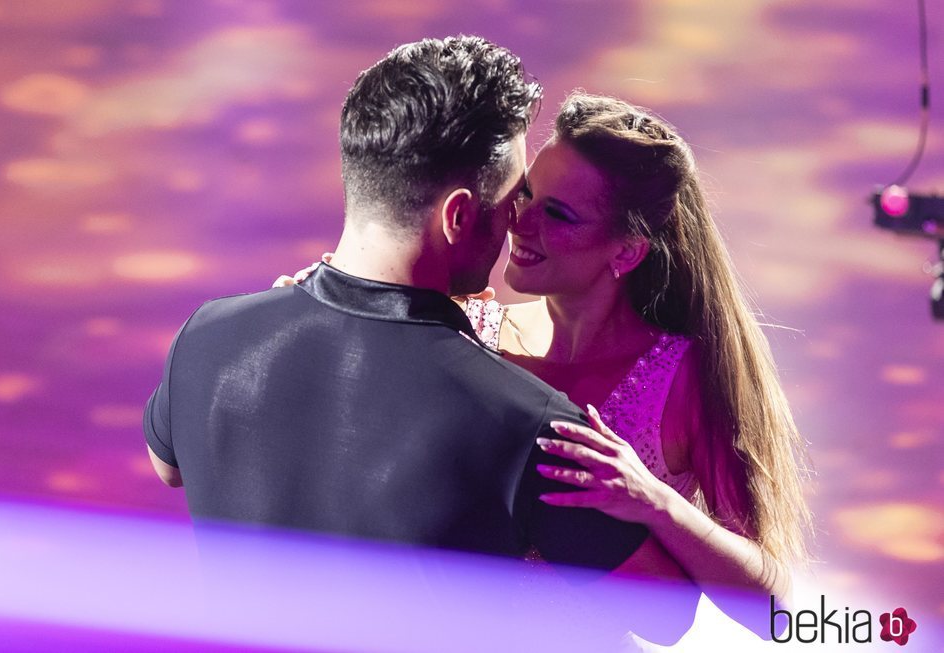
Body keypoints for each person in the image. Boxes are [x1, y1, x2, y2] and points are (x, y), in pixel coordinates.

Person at [142, 38, 659, 573]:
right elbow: (661, 613)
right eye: (513, 199)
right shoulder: (527, 422)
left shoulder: (206, 335)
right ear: (458, 216)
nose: (517, 222)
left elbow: (169, 467)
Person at [461, 93, 812, 619]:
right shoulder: (471, 331)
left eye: (557, 213)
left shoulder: (683, 376)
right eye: (527, 194)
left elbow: (772, 609)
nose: (520, 223)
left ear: (626, 251)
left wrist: (656, 502)